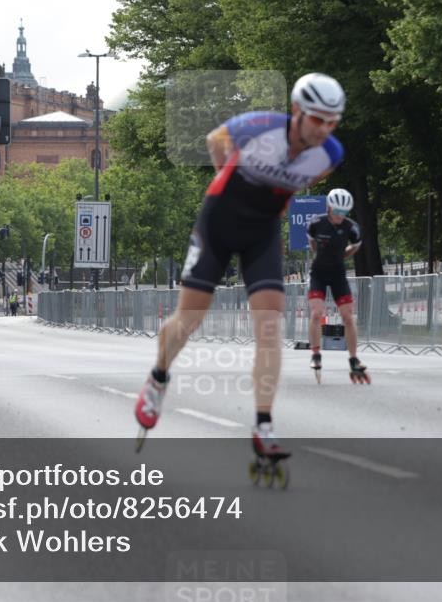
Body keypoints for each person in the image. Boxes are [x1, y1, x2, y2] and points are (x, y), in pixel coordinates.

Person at [135, 73, 348, 458]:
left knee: (269, 326)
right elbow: (214, 140)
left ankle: (264, 424)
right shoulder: (261, 127)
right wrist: (230, 177)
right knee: (189, 319)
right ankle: (158, 377)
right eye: (318, 119)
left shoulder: (330, 154)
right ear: (297, 110)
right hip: (218, 223)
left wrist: (273, 194)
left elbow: (302, 178)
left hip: (261, 233)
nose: (325, 129)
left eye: (332, 122)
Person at [306, 188, 368, 383]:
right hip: (319, 273)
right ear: (329, 208)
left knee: (348, 317)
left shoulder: (352, 228)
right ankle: (316, 353)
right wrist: (320, 256)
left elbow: (356, 246)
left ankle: (353, 358)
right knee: (316, 313)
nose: (340, 216)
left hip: (338, 274)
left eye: (344, 212)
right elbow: (312, 244)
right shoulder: (316, 224)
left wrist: (342, 255)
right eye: (337, 212)